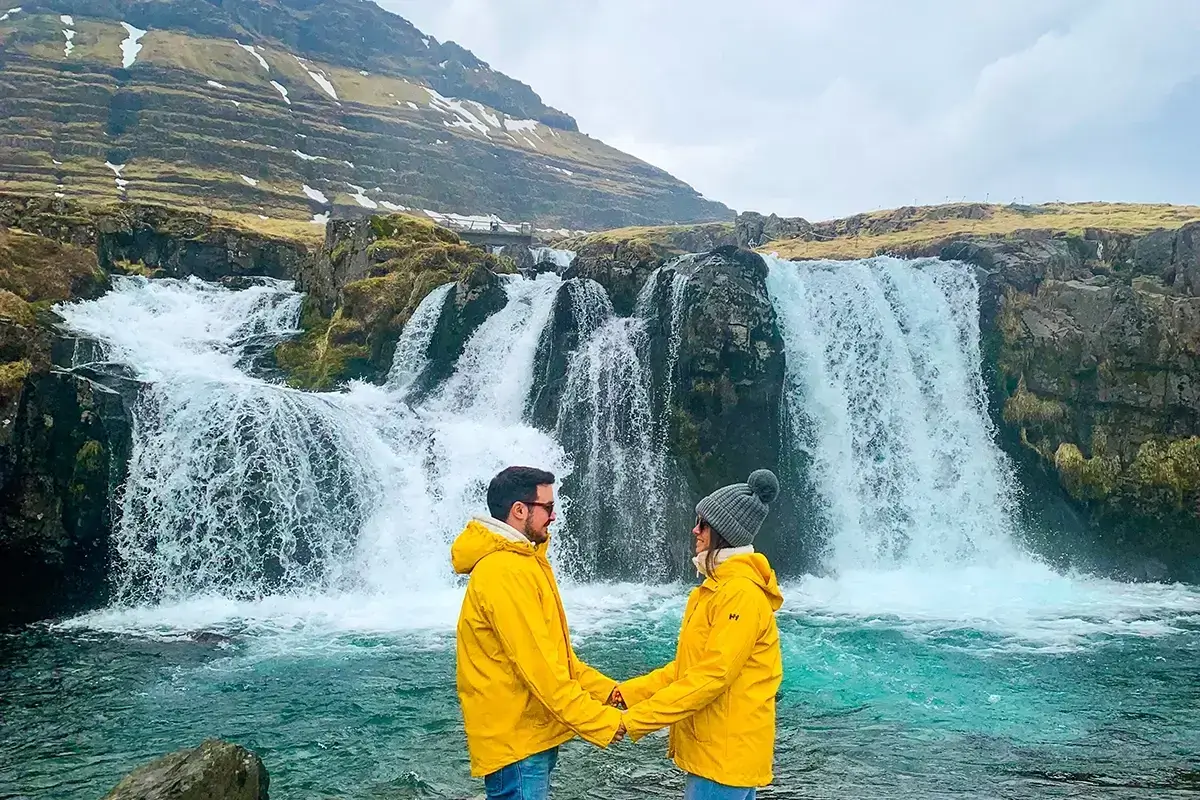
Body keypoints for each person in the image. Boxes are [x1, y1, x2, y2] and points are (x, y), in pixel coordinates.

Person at [452, 465, 625, 800]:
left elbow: (555, 657)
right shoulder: (505, 571)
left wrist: (610, 694)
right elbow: (541, 671)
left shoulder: (524, 562)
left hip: (529, 735)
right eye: (547, 507)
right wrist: (600, 721)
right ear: (519, 510)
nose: (554, 516)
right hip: (517, 743)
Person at [613, 469, 784, 800]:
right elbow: (688, 669)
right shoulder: (716, 588)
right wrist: (628, 694)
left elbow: (711, 677)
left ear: (723, 532)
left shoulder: (739, 594)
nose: (695, 530)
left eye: (703, 524)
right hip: (716, 755)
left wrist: (634, 721)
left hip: (723, 758)